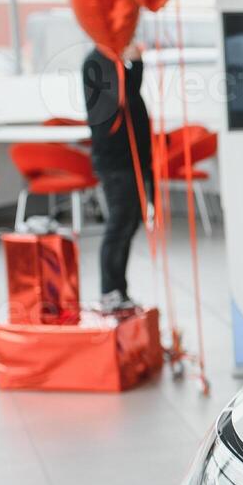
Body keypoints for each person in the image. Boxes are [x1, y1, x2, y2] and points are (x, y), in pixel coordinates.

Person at [82, 42, 155, 313]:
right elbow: (123, 97)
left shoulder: (111, 62)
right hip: (117, 162)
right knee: (119, 226)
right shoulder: (97, 62)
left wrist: (133, 64)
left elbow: (130, 94)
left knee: (128, 224)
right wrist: (134, 64)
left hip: (130, 160)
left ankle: (118, 290)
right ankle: (110, 291)